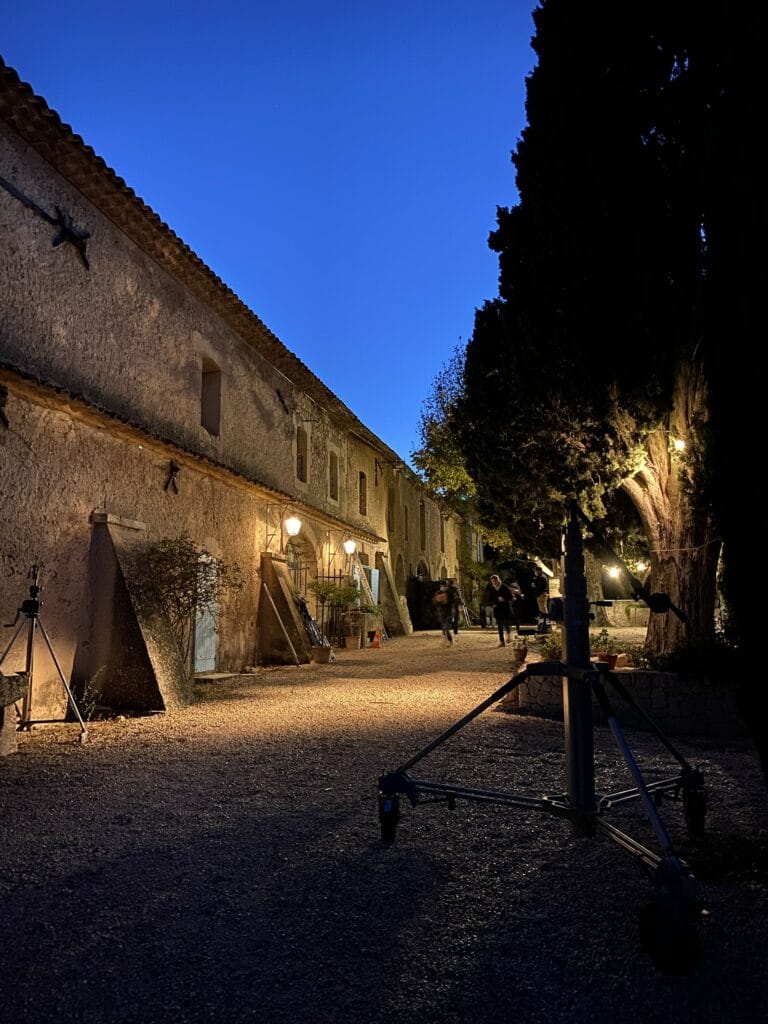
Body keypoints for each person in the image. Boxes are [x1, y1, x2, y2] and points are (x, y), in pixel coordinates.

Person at [488, 574, 514, 646]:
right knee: (500, 626)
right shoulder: (492, 589)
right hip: (497, 609)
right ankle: (501, 641)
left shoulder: (504, 587)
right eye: (492, 581)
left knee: (506, 624)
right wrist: (492, 604)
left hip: (505, 608)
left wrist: (504, 599)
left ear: (498, 580)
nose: (494, 582)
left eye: (495, 581)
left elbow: (511, 597)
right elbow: (489, 599)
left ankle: (508, 635)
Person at [433, 579, 460, 646]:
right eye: (442, 586)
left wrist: (447, 600)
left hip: (449, 612)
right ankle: (447, 640)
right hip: (442, 613)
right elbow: (434, 602)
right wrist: (439, 601)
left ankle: (450, 641)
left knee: (447, 627)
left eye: (444, 586)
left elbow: (455, 600)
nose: (443, 587)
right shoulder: (438, 593)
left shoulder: (450, 593)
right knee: (444, 627)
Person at [532, 566, 550, 632]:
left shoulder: (542, 577)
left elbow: (540, 587)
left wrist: (534, 586)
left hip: (541, 594)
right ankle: (543, 624)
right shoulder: (541, 577)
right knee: (542, 609)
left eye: (536, 571)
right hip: (541, 594)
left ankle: (546, 624)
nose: (535, 572)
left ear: (539, 571)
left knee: (543, 609)